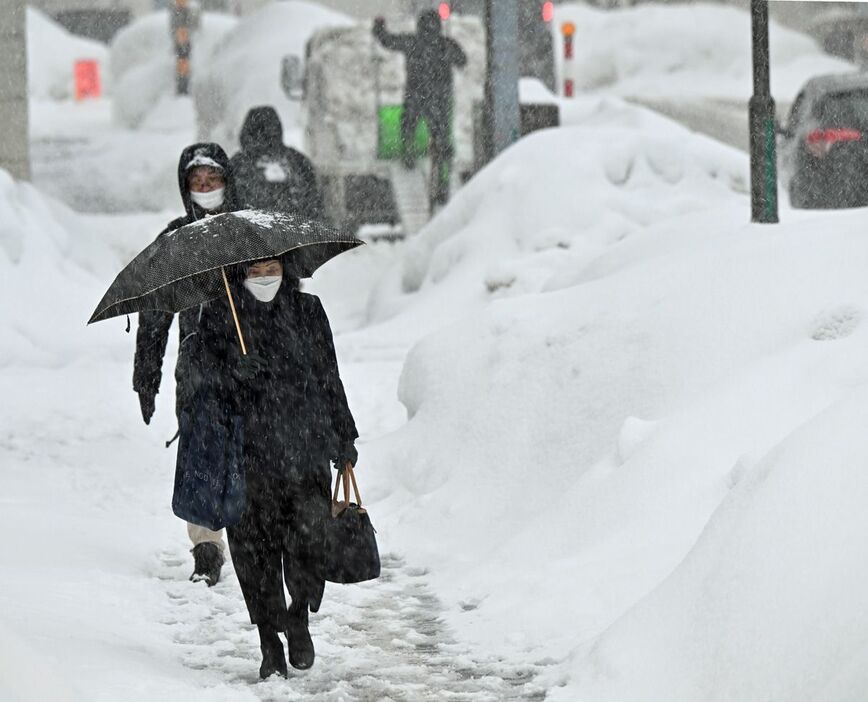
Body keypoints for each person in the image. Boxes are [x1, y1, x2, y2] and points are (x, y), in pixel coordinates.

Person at [187, 256, 358, 678]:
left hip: (305, 447)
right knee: (253, 552)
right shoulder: (219, 314)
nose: (264, 278)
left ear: (287, 271)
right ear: (239, 275)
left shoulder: (308, 310)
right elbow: (200, 380)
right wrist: (231, 371)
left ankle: (298, 616)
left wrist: (344, 435)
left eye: (272, 269)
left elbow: (327, 374)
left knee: (305, 542)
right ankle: (269, 640)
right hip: (246, 454)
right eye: (255, 271)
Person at [133, 142, 240, 587]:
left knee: (248, 454)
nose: (205, 187)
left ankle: (252, 536)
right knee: (200, 454)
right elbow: (155, 314)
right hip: (196, 367)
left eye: (212, 180)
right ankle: (206, 546)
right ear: (185, 188)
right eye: (196, 182)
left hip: (247, 362)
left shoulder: (244, 233)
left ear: (226, 183)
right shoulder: (175, 241)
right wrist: (147, 374)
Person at [372, 9, 467, 196]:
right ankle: (442, 180)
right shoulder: (445, 44)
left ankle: (409, 154)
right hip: (439, 98)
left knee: (408, 124)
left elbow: (388, 41)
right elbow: (462, 60)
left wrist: (379, 28)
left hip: (415, 94)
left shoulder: (413, 42)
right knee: (440, 137)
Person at [229, 106, 324, 220]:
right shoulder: (298, 161)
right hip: (295, 232)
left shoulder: (236, 165)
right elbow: (314, 205)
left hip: (249, 233)